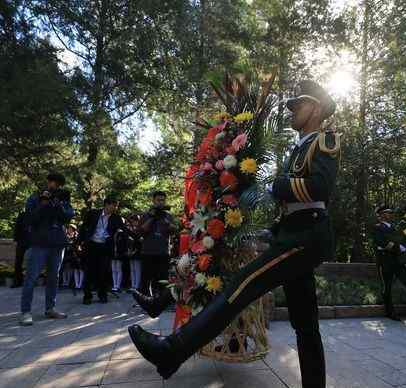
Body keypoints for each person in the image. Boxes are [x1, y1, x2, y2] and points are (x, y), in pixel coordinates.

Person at [128, 80, 340, 387]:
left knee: (241, 285)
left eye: (299, 105)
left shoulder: (325, 141)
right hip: (294, 232)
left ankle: (171, 351)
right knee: (305, 323)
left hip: (306, 235)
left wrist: (277, 187)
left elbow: (320, 187)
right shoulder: (301, 146)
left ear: (317, 108)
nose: (293, 111)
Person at [19, 173, 74, 326]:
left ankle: (50, 308)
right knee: (31, 277)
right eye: (53, 182)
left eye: (58, 184)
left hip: (57, 243)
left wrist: (57, 204)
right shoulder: (35, 198)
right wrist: (43, 203)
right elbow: (29, 218)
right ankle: (25, 312)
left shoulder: (62, 199)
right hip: (39, 242)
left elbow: (69, 216)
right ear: (48, 182)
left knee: (54, 277)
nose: (55, 186)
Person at [78, 194, 126, 304]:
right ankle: (87, 296)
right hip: (92, 246)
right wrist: (78, 242)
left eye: (116, 206)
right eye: (113, 205)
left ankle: (102, 295)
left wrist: (136, 237)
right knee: (89, 271)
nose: (115, 208)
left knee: (104, 272)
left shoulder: (116, 218)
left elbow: (125, 230)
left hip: (105, 247)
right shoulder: (93, 214)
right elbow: (84, 228)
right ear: (106, 205)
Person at [139, 191, 178, 296]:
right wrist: (152, 217)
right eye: (158, 200)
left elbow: (175, 229)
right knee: (146, 279)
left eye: (163, 200)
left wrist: (166, 221)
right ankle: (145, 300)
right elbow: (142, 231)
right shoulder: (146, 215)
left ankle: (161, 301)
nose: (161, 202)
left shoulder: (168, 216)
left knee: (163, 279)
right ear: (153, 201)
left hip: (163, 252)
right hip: (148, 252)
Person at [11, 210, 30, 288]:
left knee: (32, 261)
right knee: (18, 261)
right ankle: (17, 281)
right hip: (22, 241)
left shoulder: (38, 213)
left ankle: (29, 281)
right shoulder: (22, 215)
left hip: (32, 241)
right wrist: (16, 239)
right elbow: (17, 226)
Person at [127, 214, 143, 292]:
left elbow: (140, 242)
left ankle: (137, 285)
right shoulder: (132, 230)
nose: (132, 223)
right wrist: (130, 250)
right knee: (132, 269)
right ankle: (133, 285)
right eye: (132, 221)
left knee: (137, 269)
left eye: (134, 221)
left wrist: (135, 251)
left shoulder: (140, 230)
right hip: (131, 252)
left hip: (138, 252)